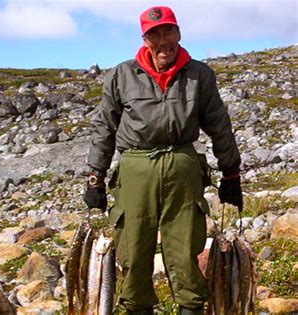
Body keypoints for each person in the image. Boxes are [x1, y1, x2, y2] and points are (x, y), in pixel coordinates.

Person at [83, 5, 243, 315]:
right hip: (134, 170)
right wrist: (95, 178)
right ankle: (136, 307)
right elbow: (104, 127)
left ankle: (191, 307)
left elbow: (219, 126)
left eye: (168, 30)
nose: (163, 40)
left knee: (185, 252)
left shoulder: (200, 75)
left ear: (179, 33)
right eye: (154, 34)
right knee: (132, 252)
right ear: (145, 39)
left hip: (183, 169)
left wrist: (231, 175)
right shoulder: (121, 75)